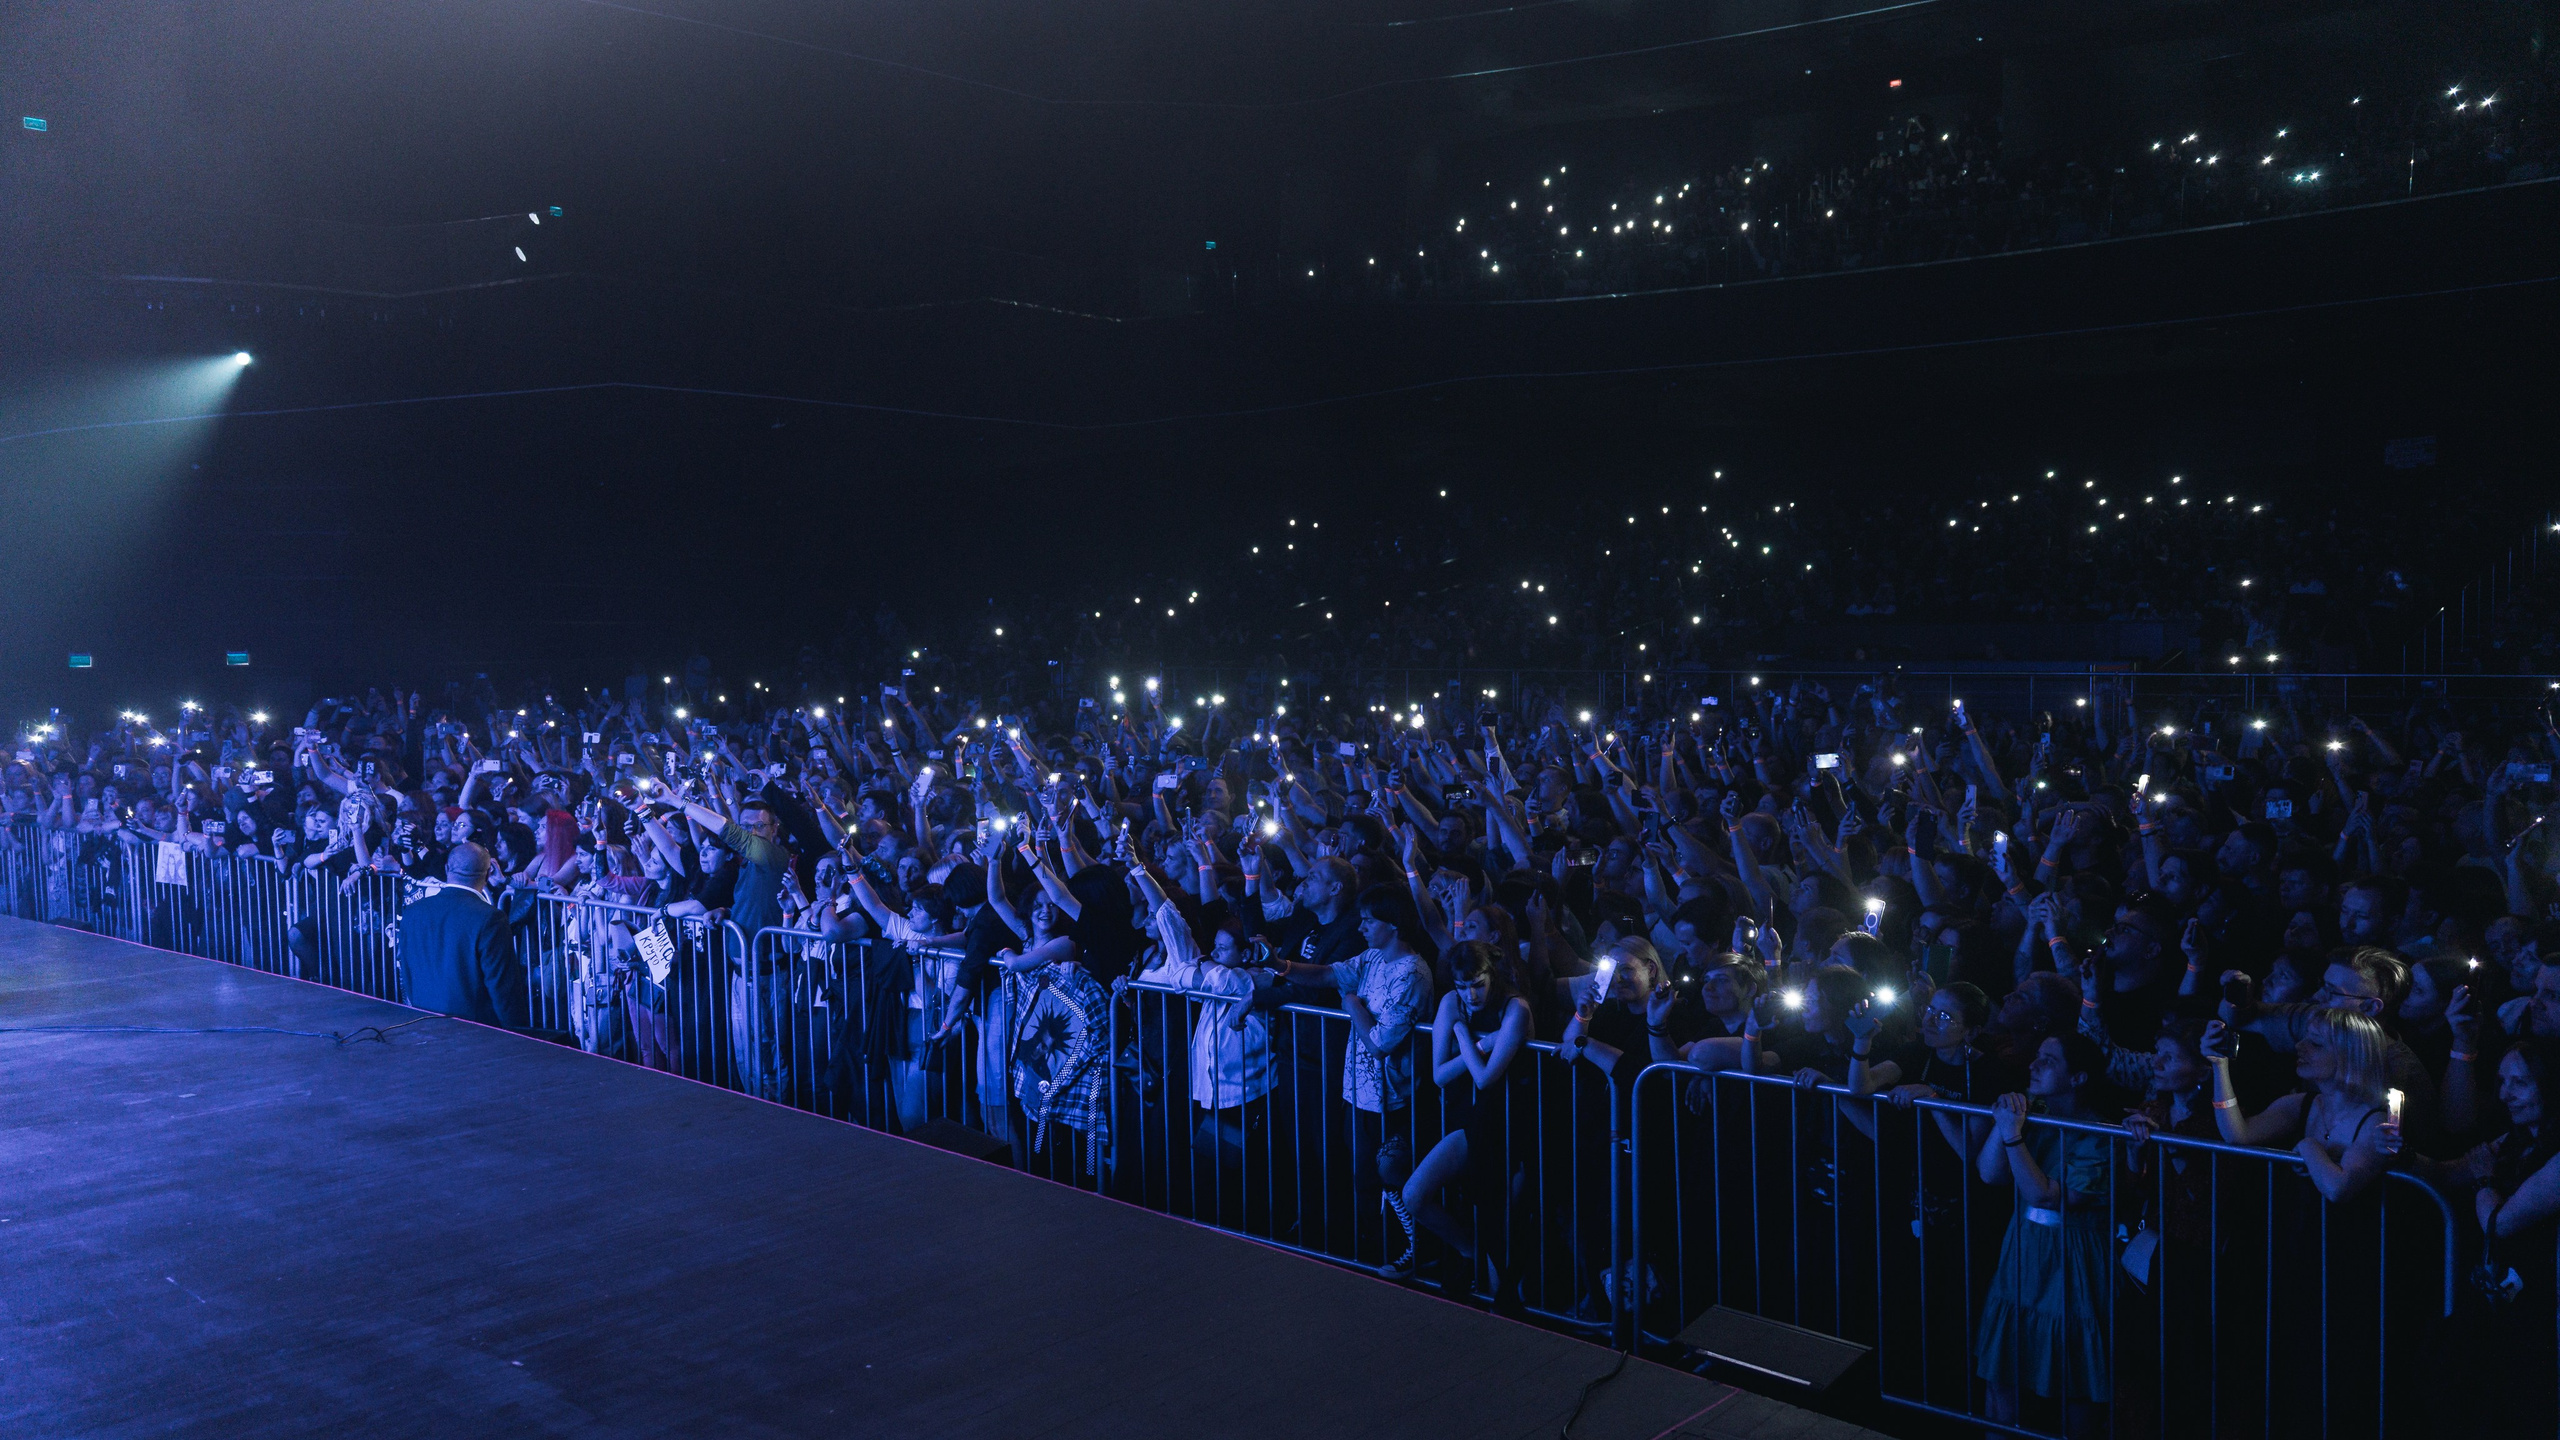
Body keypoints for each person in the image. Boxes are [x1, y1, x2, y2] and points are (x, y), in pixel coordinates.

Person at [1975, 1033, 2116, 1436]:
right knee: (2002, 1374)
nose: (2033, 1065)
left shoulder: (2099, 1133)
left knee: (2077, 1384)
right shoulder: (2034, 1114)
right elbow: (1989, 1173)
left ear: (2078, 1077)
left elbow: (2046, 1195)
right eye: (2036, 1056)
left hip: (2073, 1263)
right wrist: (2005, 1122)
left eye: (2049, 1061)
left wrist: (2013, 1135)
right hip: (2023, 1252)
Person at [1399, 939, 1533, 1297]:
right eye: (1462, 986)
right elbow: (1439, 1075)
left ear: (1492, 975)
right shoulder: (1452, 1001)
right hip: (1471, 1120)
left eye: (1477, 985)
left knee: (1503, 1223)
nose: (1470, 996)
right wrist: (1480, 1044)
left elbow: (1486, 1078)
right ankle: (1469, 1253)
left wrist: (1463, 1036)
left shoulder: (1515, 1007)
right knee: (1415, 1195)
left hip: (1512, 1123)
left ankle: (1503, 1302)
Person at [395, 842, 527, 1028]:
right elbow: (502, 987)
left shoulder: (413, 911)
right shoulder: (490, 918)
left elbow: (407, 972)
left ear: (447, 869)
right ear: (488, 874)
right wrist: (517, 1031)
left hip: (424, 1020)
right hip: (477, 1030)